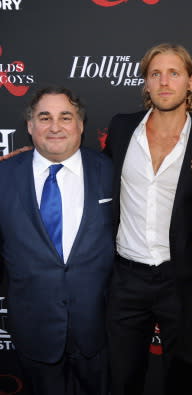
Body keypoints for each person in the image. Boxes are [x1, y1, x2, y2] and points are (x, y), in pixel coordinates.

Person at [104, 43, 192, 395]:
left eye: (174, 73)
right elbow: (88, 171)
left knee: (182, 381)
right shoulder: (121, 129)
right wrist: (32, 158)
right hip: (125, 278)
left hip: (178, 280)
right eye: (156, 74)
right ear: (146, 84)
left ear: (191, 82)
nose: (164, 82)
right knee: (122, 380)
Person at [0, 86, 113, 395]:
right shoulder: (4, 176)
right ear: (29, 126)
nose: (55, 126)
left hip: (98, 329)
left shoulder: (110, 172)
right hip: (34, 330)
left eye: (66, 117)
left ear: (80, 125)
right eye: (44, 117)